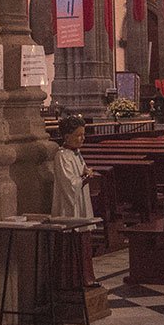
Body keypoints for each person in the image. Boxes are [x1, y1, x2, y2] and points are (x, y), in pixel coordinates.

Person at [50, 114, 96, 289]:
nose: (82, 138)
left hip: (80, 202)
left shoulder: (76, 154)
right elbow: (69, 183)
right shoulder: (62, 156)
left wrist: (85, 173)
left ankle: (85, 278)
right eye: (78, 135)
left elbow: (80, 172)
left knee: (83, 239)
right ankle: (71, 281)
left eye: (83, 134)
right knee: (71, 241)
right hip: (69, 205)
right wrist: (84, 177)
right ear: (67, 136)